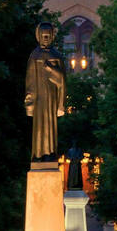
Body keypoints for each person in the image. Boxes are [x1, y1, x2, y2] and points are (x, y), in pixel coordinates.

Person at [25, 22, 66, 161]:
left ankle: (50, 154)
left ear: (52, 36)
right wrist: (29, 102)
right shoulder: (34, 55)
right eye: (43, 36)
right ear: (39, 37)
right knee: (39, 128)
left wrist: (51, 70)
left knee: (50, 126)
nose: (46, 38)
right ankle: (38, 155)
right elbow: (30, 80)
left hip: (52, 98)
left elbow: (62, 80)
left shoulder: (57, 56)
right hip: (38, 99)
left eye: (48, 36)